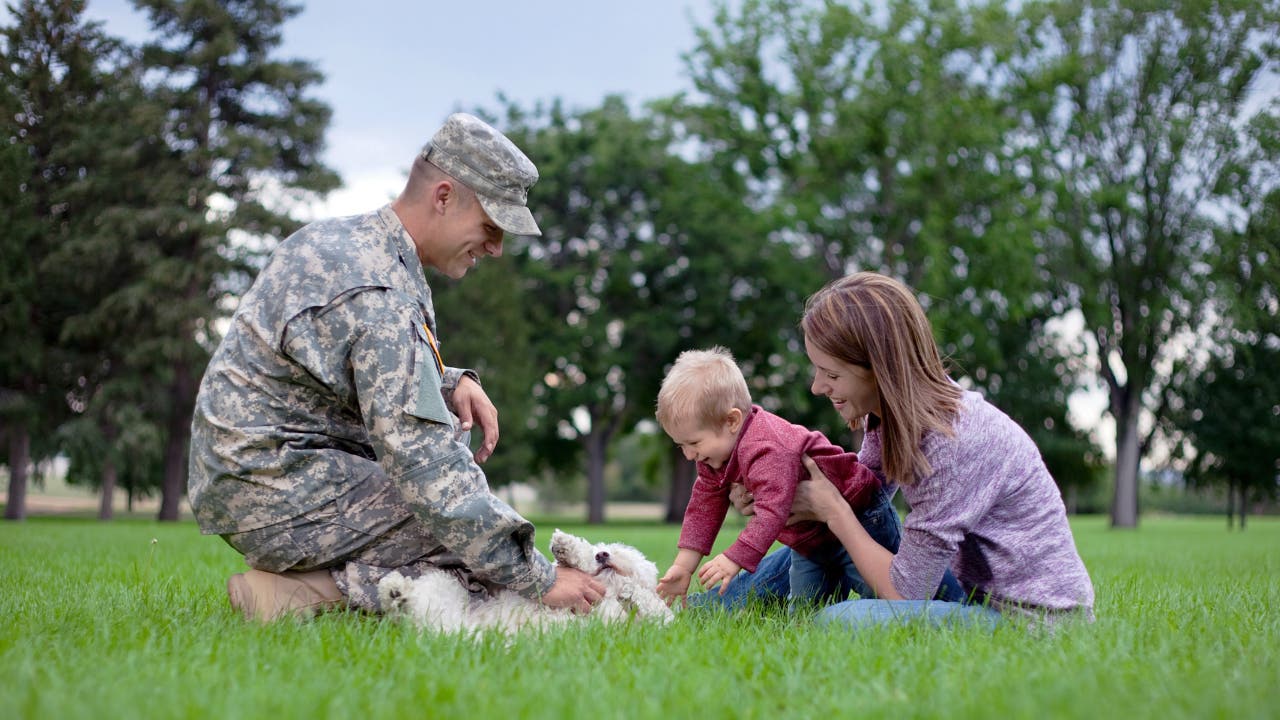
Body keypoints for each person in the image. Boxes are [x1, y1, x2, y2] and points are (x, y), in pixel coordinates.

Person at [188, 113, 604, 622]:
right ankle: (298, 597)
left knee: (470, 521)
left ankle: (306, 590)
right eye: (491, 226)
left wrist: (448, 382)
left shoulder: (352, 244)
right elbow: (425, 467)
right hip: (270, 486)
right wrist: (539, 576)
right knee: (460, 525)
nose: (496, 248)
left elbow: (339, 367)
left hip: (251, 471)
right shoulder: (381, 294)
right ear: (444, 197)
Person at [785, 271, 1095, 628]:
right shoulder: (891, 416)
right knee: (823, 531)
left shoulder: (952, 441)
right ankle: (714, 605)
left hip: (1026, 620)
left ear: (879, 369)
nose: (816, 387)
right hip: (970, 591)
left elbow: (906, 592)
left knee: (835, 622)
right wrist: (782, 494)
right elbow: (860, 497)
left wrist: (833, 510)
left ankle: (794, 617)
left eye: (832, 374)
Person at [653, 347, 963, 608]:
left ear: (732, 420)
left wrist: (735, 557)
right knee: (804, 614)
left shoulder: (766, 446)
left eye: (693, 443)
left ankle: (960, 604)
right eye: (681, 445)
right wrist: (683, 565)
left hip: (863, 518)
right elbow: (703, 506)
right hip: (808, 538)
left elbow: (772, 512)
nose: (689, 455)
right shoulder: (715, 455)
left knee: (900, 600)